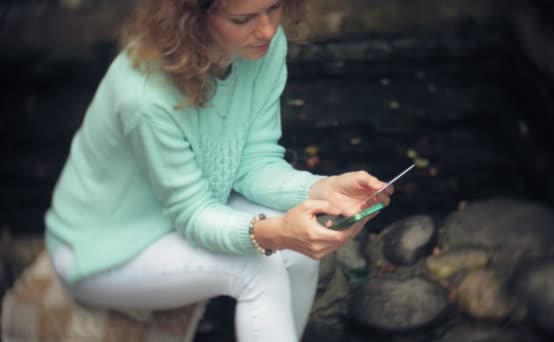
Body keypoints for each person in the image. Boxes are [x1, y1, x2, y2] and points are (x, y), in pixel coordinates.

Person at [44, 0, 392, 341]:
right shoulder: (144, 95)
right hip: (104, 247)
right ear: (191, 17)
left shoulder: (262, 47)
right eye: (242, 19)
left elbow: (253, 162)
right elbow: (193, 214)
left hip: (190, 208)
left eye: (274, 8)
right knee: (259, 271)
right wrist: (275, 233)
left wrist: (323, 189)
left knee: (299, 255)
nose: (268, 29)